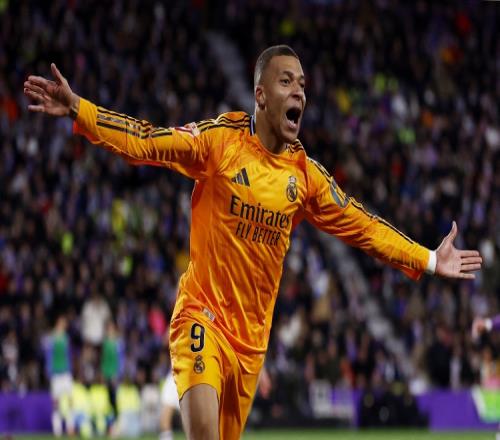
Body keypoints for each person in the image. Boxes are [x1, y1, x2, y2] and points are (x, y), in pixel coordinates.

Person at [24, 45, 482, 439]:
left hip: (250, 347)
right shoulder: (220, 143)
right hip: (201, 317)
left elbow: (364, 226)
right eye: (286, 81)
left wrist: (427, 258)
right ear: (260, 95)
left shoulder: (305, 178)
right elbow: (147, 141)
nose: (299, 92)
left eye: (302, 84)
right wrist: (80, 109)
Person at [43, 315, 75, 437]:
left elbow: (68, 355)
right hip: (56, 373)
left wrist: (70, 369)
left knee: (70, 400)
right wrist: (49, 370)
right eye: (62, 322)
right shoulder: (51, 338)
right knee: (56, 402)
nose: (64, 325)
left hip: (66, 372)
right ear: (57, 323)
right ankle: (57, 429)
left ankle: (70, 426)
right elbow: (49, 355)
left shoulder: (66, 338)